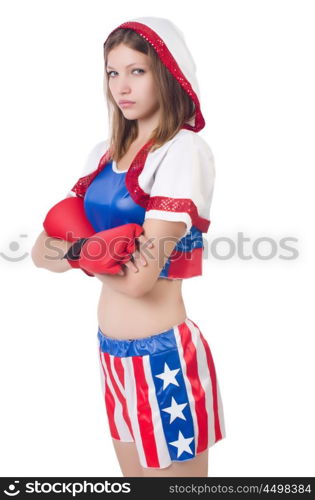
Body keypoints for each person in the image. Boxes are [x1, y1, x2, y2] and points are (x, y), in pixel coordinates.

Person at [31, 16, 226, 478]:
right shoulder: (103, 152)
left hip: (163, 359)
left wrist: (77, 250)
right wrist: (98, 252)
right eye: (113, 72)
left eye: (137, 71)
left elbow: (139, 281)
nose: (122, 85)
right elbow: (41, 251)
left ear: (169, 74)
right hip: (110, 353)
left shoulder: (182, 151)